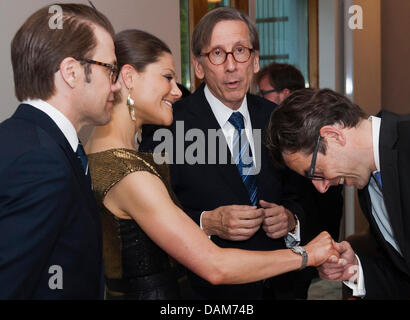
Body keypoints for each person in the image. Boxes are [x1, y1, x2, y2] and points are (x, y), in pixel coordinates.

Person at [85, 29, 338, 300]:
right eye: (168, 77)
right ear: (129, 77)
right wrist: (307, 255)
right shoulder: (130, 170)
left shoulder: (100, 150)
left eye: (241, 51)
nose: (176, 91)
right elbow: (215, 266)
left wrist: (291, 219)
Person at [140, 7, 307, 300]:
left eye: (240, 51)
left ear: (254, 61)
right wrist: (208, 221)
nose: (231, 66)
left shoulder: (277, 118)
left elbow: (304, 194)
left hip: (283, 286)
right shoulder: (168, 125)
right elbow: (149, 216)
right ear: (199, 66)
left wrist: (291, 219)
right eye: (217, 53)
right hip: (209, 293)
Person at [0, 4, 120, 299]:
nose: (116, 85)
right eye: (110, 69)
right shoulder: (41, 162)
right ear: (71, 72)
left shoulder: (26, 140)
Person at [267, 87, 410, 299]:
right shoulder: (368, 190)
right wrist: (356, 270)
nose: (321, 187)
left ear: (333, 136)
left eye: (316, 172)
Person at [256, 63, 344, 299]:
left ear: (284, 94)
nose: (259, 100)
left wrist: (291, 220)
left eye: (263, 93)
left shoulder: (306, 138)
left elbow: (321, 206)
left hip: (306, 252)